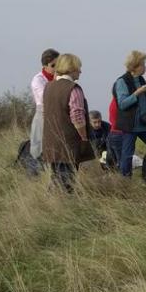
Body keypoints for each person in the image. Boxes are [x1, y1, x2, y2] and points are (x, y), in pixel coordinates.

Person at [41, 53, 95, 192]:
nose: (80, 71)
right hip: (67, 143)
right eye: (78, 68)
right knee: (66, 182)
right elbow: (77, 117)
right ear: (71, 68)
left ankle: (50, 206)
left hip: (50, 141)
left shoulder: (48, 87)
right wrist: (83, 137)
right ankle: (61, 208)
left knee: (57, 178)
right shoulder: (73, 88)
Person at [113, 50, 146, 177]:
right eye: (143, 64)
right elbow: (123, 103)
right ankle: (125, 184)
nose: (145, 67)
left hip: (144, 124)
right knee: (127, 156)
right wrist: (136, 93)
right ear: (135, 66)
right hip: (130, 126)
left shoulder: (141, 80)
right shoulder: (122, 81)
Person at [29, 48, 59, 160]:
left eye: (59, 65)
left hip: (58, 112)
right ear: (45, 65)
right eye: (53, 65)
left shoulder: (61, 78)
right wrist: (56, 82)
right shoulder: (38, 80)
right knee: (39, 144)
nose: (56, 68)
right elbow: (45, 98)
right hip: (43, 113)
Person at [106, 96, 123, 170]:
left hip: (113, 133)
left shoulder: (114, 101)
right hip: (119, 133)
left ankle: (115, 178)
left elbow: (111, 119)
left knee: (113, 161)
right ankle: (122, 179)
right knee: (121, 162)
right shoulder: (122, 101)